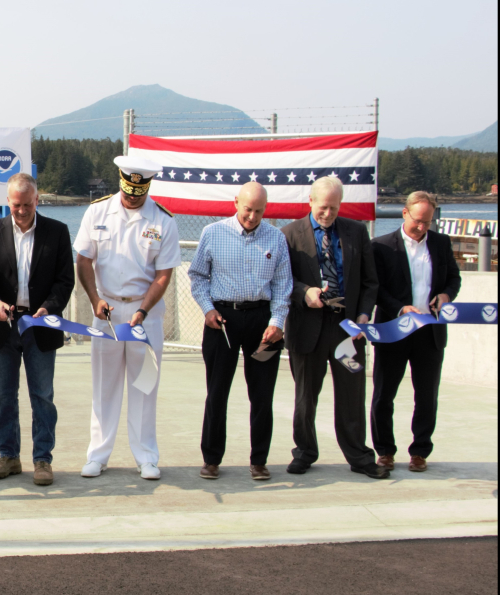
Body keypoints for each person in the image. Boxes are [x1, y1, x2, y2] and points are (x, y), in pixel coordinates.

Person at [74, 156, 180, 481]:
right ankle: (97, 455)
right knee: (104, 386)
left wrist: (143, 310)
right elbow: (83, 259)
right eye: (128, 191)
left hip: (144, 315)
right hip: (106, 312)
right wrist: (95, 299)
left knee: (145, 386)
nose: (132, 198)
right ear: (121, 182)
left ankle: (146, 457)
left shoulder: (163, 221)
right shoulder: (97, 212)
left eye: (138, 193)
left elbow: (163, 275)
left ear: (147, 187)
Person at [282, 176, 385, 479]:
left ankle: (359, 456)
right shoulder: (289, 234)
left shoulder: (356, 231)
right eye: (323, 207)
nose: (328, 213)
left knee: (352, 394)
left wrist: (364, 315)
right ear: (310, 201)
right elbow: (282, 281)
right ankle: (304, 452)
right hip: (307, 328)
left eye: (334, 208)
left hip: (347, 331)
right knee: (305, 397)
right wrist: (305, 292)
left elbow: (370, 281)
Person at [188, 182, 291, 481]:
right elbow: (198, 276)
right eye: (248, 209)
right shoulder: (212, 233)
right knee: (217, 392)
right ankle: (211, 459)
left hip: (263, 322)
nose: (252, 217)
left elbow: (283, 285)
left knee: (262, 394)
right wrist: (208, 309)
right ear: (236, 203)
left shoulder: (276, 238)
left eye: (259, 211)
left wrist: (277, 322)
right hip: (223, 320)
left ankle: (259, 460)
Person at [0, 173, 74, 486]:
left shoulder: (57, 231)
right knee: (4, 395)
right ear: (8, 201)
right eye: (16, 204)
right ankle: (9, 456)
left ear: (37, 200)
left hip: (40, 325)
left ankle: (42, 460)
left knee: (42, 396)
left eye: (27, 204)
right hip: (4, 325)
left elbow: (65, 280)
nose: (21, 210)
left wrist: (49, 307)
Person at [370, 191, 460, 473]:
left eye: (427, 222)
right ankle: (385, 451)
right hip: (394, 330)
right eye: (418, 221)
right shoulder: (381, 246)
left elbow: (454, 278)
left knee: (427, 396)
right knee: (384, 395)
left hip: (429, 332)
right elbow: (375, 288)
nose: (422, 227)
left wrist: (446, 295)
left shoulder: (441, 243)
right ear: (404, 213)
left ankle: (420, 451)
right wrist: (400, 308)